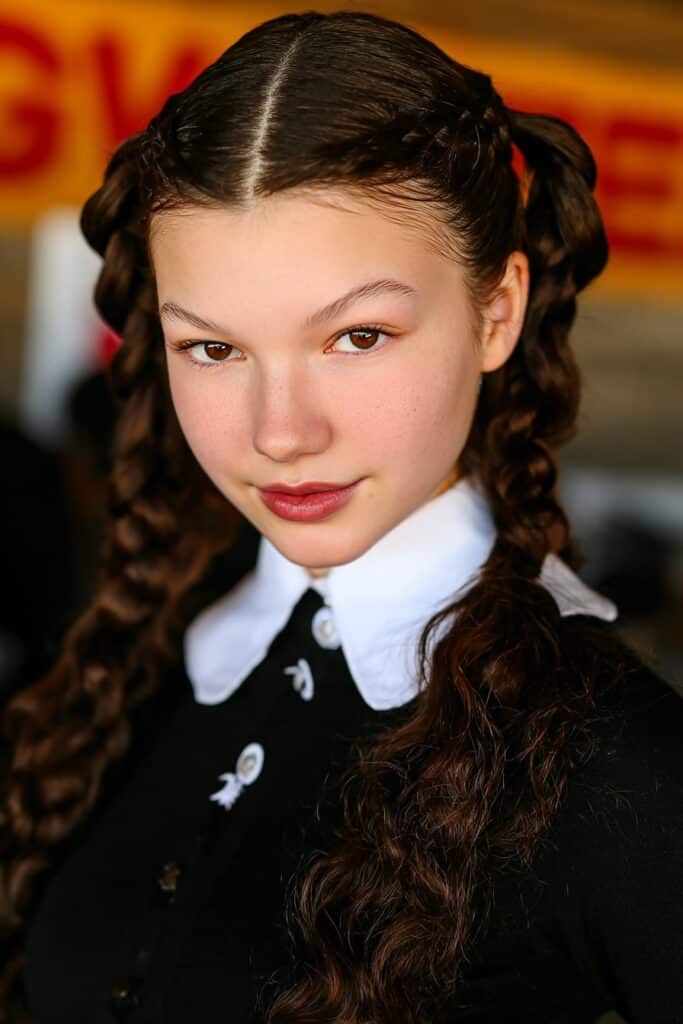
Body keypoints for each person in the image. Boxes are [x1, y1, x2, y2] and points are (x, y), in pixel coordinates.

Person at [1, 10, 681, 1023]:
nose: (279, 432)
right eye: (215, 349)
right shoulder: (133, 665)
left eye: (357, 335)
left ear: (495, 312)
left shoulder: (615, 763)